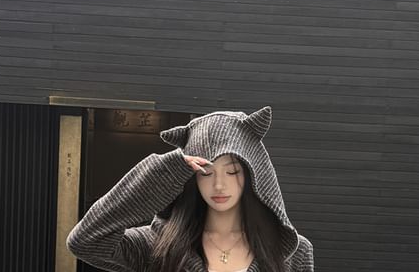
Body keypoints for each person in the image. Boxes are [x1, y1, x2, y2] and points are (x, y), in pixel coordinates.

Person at [67, 106, 314, 272]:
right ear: (190, 179)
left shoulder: (293, 252)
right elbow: (85, 241)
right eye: (205, 172)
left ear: (254, 175)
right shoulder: (156, 246)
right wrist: (161, 174)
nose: (219, 185)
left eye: (232, 172)